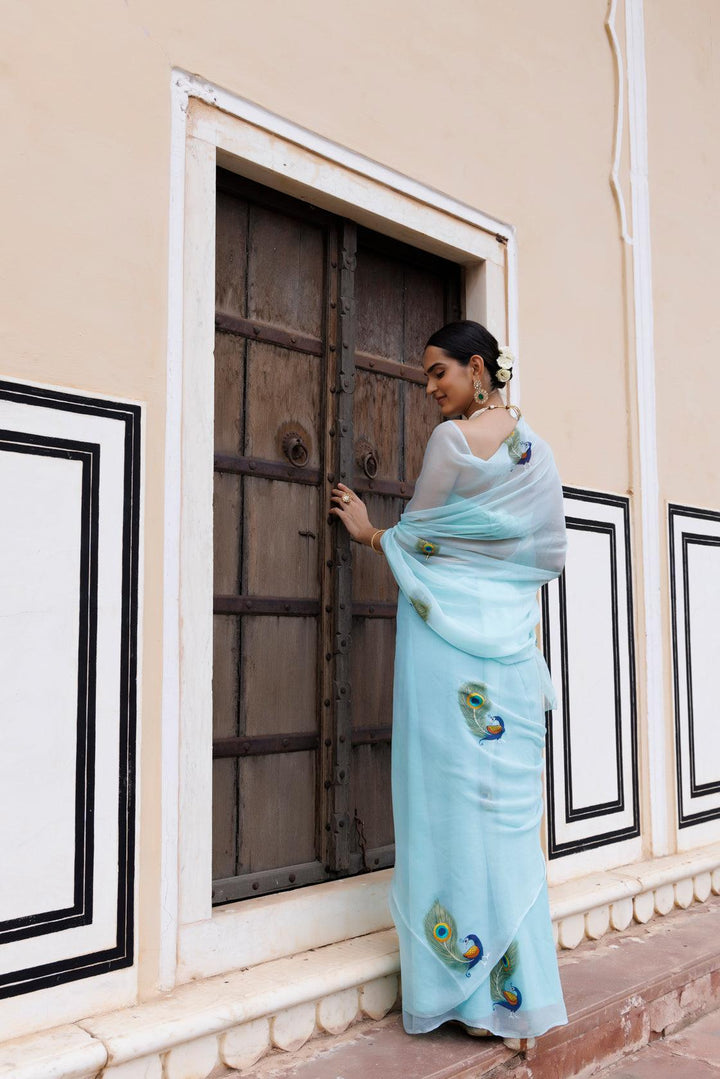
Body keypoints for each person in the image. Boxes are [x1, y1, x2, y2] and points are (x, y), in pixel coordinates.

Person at [330, 320, 568, 1045]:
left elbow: (423, 536)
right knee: (499, 818)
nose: (431, 387)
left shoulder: (452, 442)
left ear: (476, 367)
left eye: (438, 372)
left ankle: (458, 991)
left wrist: (370, 531)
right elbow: (541, 557)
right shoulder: (536, 451)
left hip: (447, 653)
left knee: (444, 803)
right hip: (508, 660)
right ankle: (510, 997)